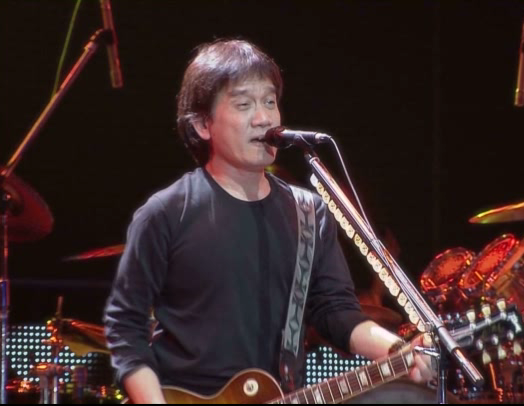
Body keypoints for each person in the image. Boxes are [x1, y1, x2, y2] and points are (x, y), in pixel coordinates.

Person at [103, 38, 433, 404]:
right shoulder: (166, 212)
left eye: (270, 102)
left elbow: (336, 313)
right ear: (202, 124)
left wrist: (399, 351)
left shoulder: (308, 212)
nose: (263, 118)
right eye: (244, 104)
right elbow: (125, 327)